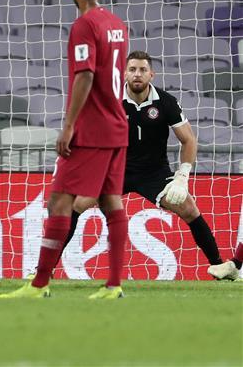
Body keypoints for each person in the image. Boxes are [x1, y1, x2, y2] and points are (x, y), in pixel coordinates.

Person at [0, 0, 130, 300]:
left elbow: (85, 74)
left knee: (59, 200)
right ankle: (114, 284)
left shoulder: (84, 25)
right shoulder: (117, 25)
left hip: (92, 130)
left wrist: (69, 125)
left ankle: (39, 284)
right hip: (117, 125)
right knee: (111, 201)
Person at [59, 51, 225, 274]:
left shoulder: (166, 102)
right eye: (133, 69)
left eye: (142, 70)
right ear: (125, 74)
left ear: (151, 74)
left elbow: (189, 140)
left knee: (188, 207)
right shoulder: (109, 100)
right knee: (75, 205)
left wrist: (182, 176)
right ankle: (44, 268)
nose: (137, 74)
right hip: (114, 170)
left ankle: (219, 266)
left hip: (153, 172)